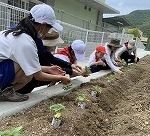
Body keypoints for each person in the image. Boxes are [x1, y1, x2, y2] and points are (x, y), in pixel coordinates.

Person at [0, 4, 71, 102]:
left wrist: (49, 69)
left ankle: (5, 93)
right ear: (43, 26)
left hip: (2, 68)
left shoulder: (12, 32)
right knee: (28, 74)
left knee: (27, 72)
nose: (48, 31)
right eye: (49, 28)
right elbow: (38, 75)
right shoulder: (25, 42)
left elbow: (31, 67)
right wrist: (60, 77)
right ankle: (4, 93)